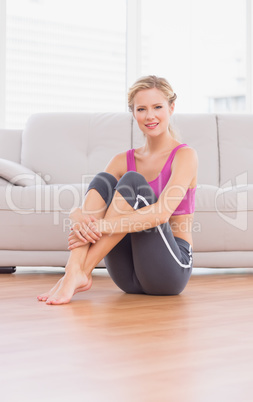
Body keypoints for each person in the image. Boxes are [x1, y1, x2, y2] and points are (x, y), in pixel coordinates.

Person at [37, 75, 198, 305]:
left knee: (132, 181)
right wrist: (77, 214)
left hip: (169, 271)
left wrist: (100, 225)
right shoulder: (122, 160)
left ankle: (80, 271)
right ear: (133, 113)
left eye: (157, 107)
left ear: (171, 107)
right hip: (127, 277)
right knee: (104, 180)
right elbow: (94, 201)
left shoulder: (185, 155)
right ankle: (74, 271)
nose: (150, 115)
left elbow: (162, 213)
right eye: (141, 109)